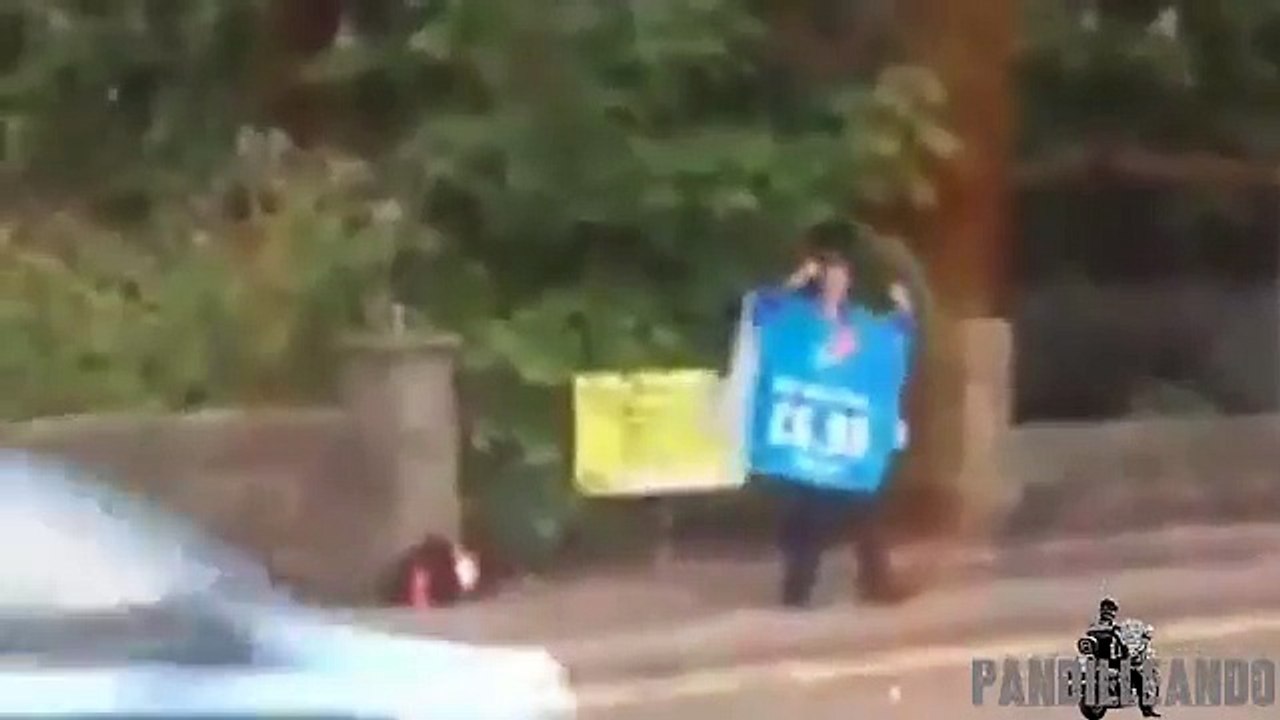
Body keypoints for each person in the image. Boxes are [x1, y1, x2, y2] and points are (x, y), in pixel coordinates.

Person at [754, 219, 916, 608]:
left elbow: (892, 343)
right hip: (808, 437)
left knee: (864, 507)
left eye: (841, 277)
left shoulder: (858, 325)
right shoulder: (798, 319)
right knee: (808, 513)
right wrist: (797, 278)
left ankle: (876, 582)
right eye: (829, 277)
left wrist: (904, 308)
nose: (836, 284)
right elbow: (763, 309)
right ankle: (797, 590)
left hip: (846, 438)